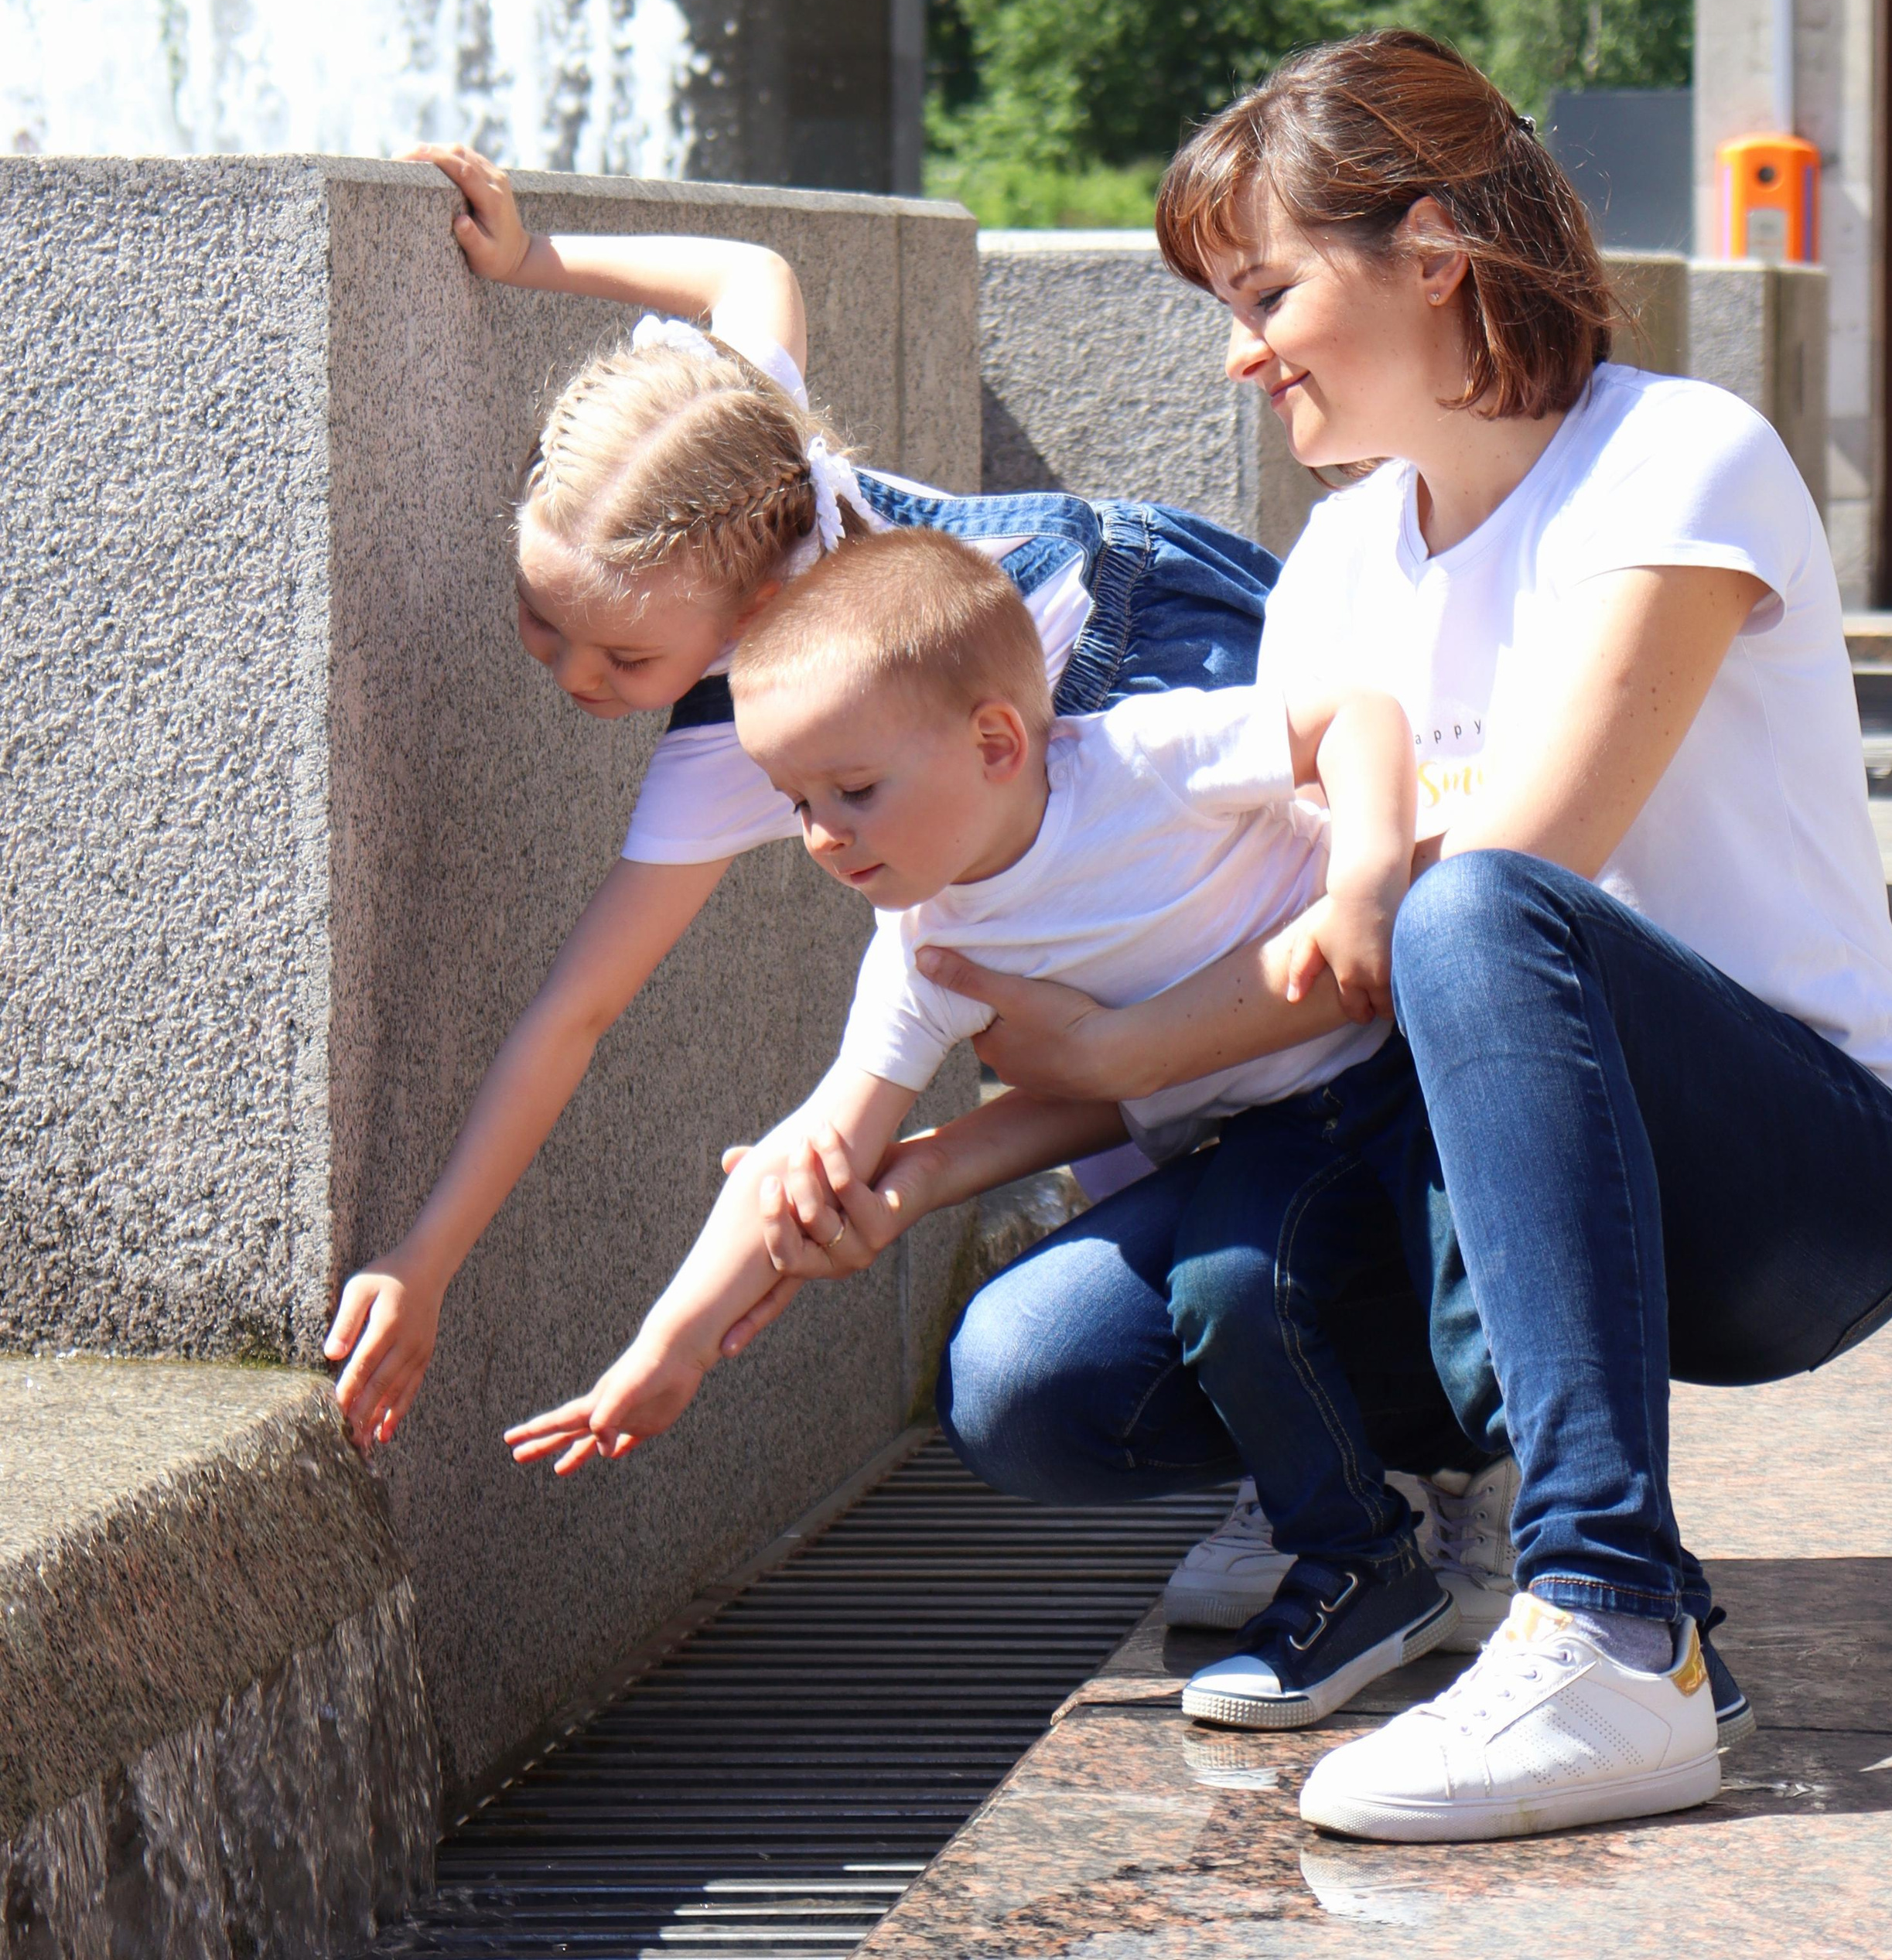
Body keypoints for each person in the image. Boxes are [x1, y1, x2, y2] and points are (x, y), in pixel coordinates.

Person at [780, 30, 1892, 1842]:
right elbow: (1293, 974)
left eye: (1263, 291)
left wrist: (1107, 1052)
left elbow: (1496, 882)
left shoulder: (1671, 462)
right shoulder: (1338, 569)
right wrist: (905, 1161)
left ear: (1433, 257)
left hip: (1796, 1180)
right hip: (1462, 1152)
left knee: (1483, 903)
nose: (1237, 349)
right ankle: (1459, 1524)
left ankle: (1608, 1624)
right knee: (1031, 1383)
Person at [322, 146, 1280, 1453]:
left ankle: (1408, 1415)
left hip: (1156, 662)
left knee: (1284, 1019)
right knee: (1131, 1095)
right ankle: (1279, 1443)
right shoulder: (737, 463)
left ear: (761, 603)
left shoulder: (732, 667)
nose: (575, 676)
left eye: (626, 658)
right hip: (1012, 781)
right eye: (541, 622)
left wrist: (539, 251)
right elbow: (750, 274)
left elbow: (576, 1010)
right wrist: (423, 1259)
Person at [505, 525, 1486, 1728]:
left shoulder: (1135, 763)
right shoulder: (929, 952)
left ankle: (1425, 1519)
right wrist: (670, 1347)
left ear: (995, 740)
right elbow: (814, 1154)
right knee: (1225, 1276)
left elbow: (1356, 714)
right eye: (797, 801)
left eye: (855, 790)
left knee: (1311, 1280)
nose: (823, 835)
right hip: (1274, 1130)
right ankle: (1357, 1540)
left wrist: (1365, 881)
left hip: (1397, 1071)